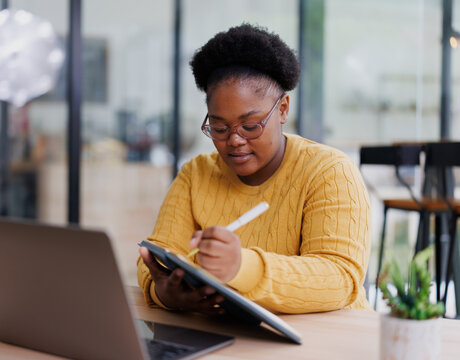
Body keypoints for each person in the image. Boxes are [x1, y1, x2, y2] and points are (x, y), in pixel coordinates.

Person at [137, 24, 371, 314]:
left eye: (250, 126)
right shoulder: (196, 174)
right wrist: (162, 292)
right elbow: (157, 256)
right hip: (238, 337)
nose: (234, 140)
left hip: (332, 338)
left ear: (283, 108)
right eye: (219, 127)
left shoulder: (330, 172)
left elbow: (340, 278)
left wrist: (240, 267)